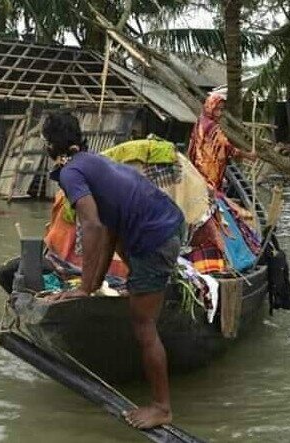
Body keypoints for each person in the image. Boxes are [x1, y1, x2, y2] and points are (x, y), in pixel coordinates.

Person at [41, 112, 184, 429]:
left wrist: (83, 287)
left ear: (51, 146)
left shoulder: (71, 172)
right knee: (136, 288)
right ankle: (147, 291)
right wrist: (88, 286)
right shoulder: (93, 161)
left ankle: (162, 408)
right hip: (170, 224)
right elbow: (108, 232)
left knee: (142, 323)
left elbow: (91, 224)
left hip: (156, 237)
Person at [187, 93, 257, 190]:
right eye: (216, 109)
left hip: (197, 166)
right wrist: (248, 155)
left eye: (221, 110)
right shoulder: (212, 127)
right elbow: (226, 147)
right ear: (209, 107)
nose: (219, 113)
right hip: (208, 170)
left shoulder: (201, 120)